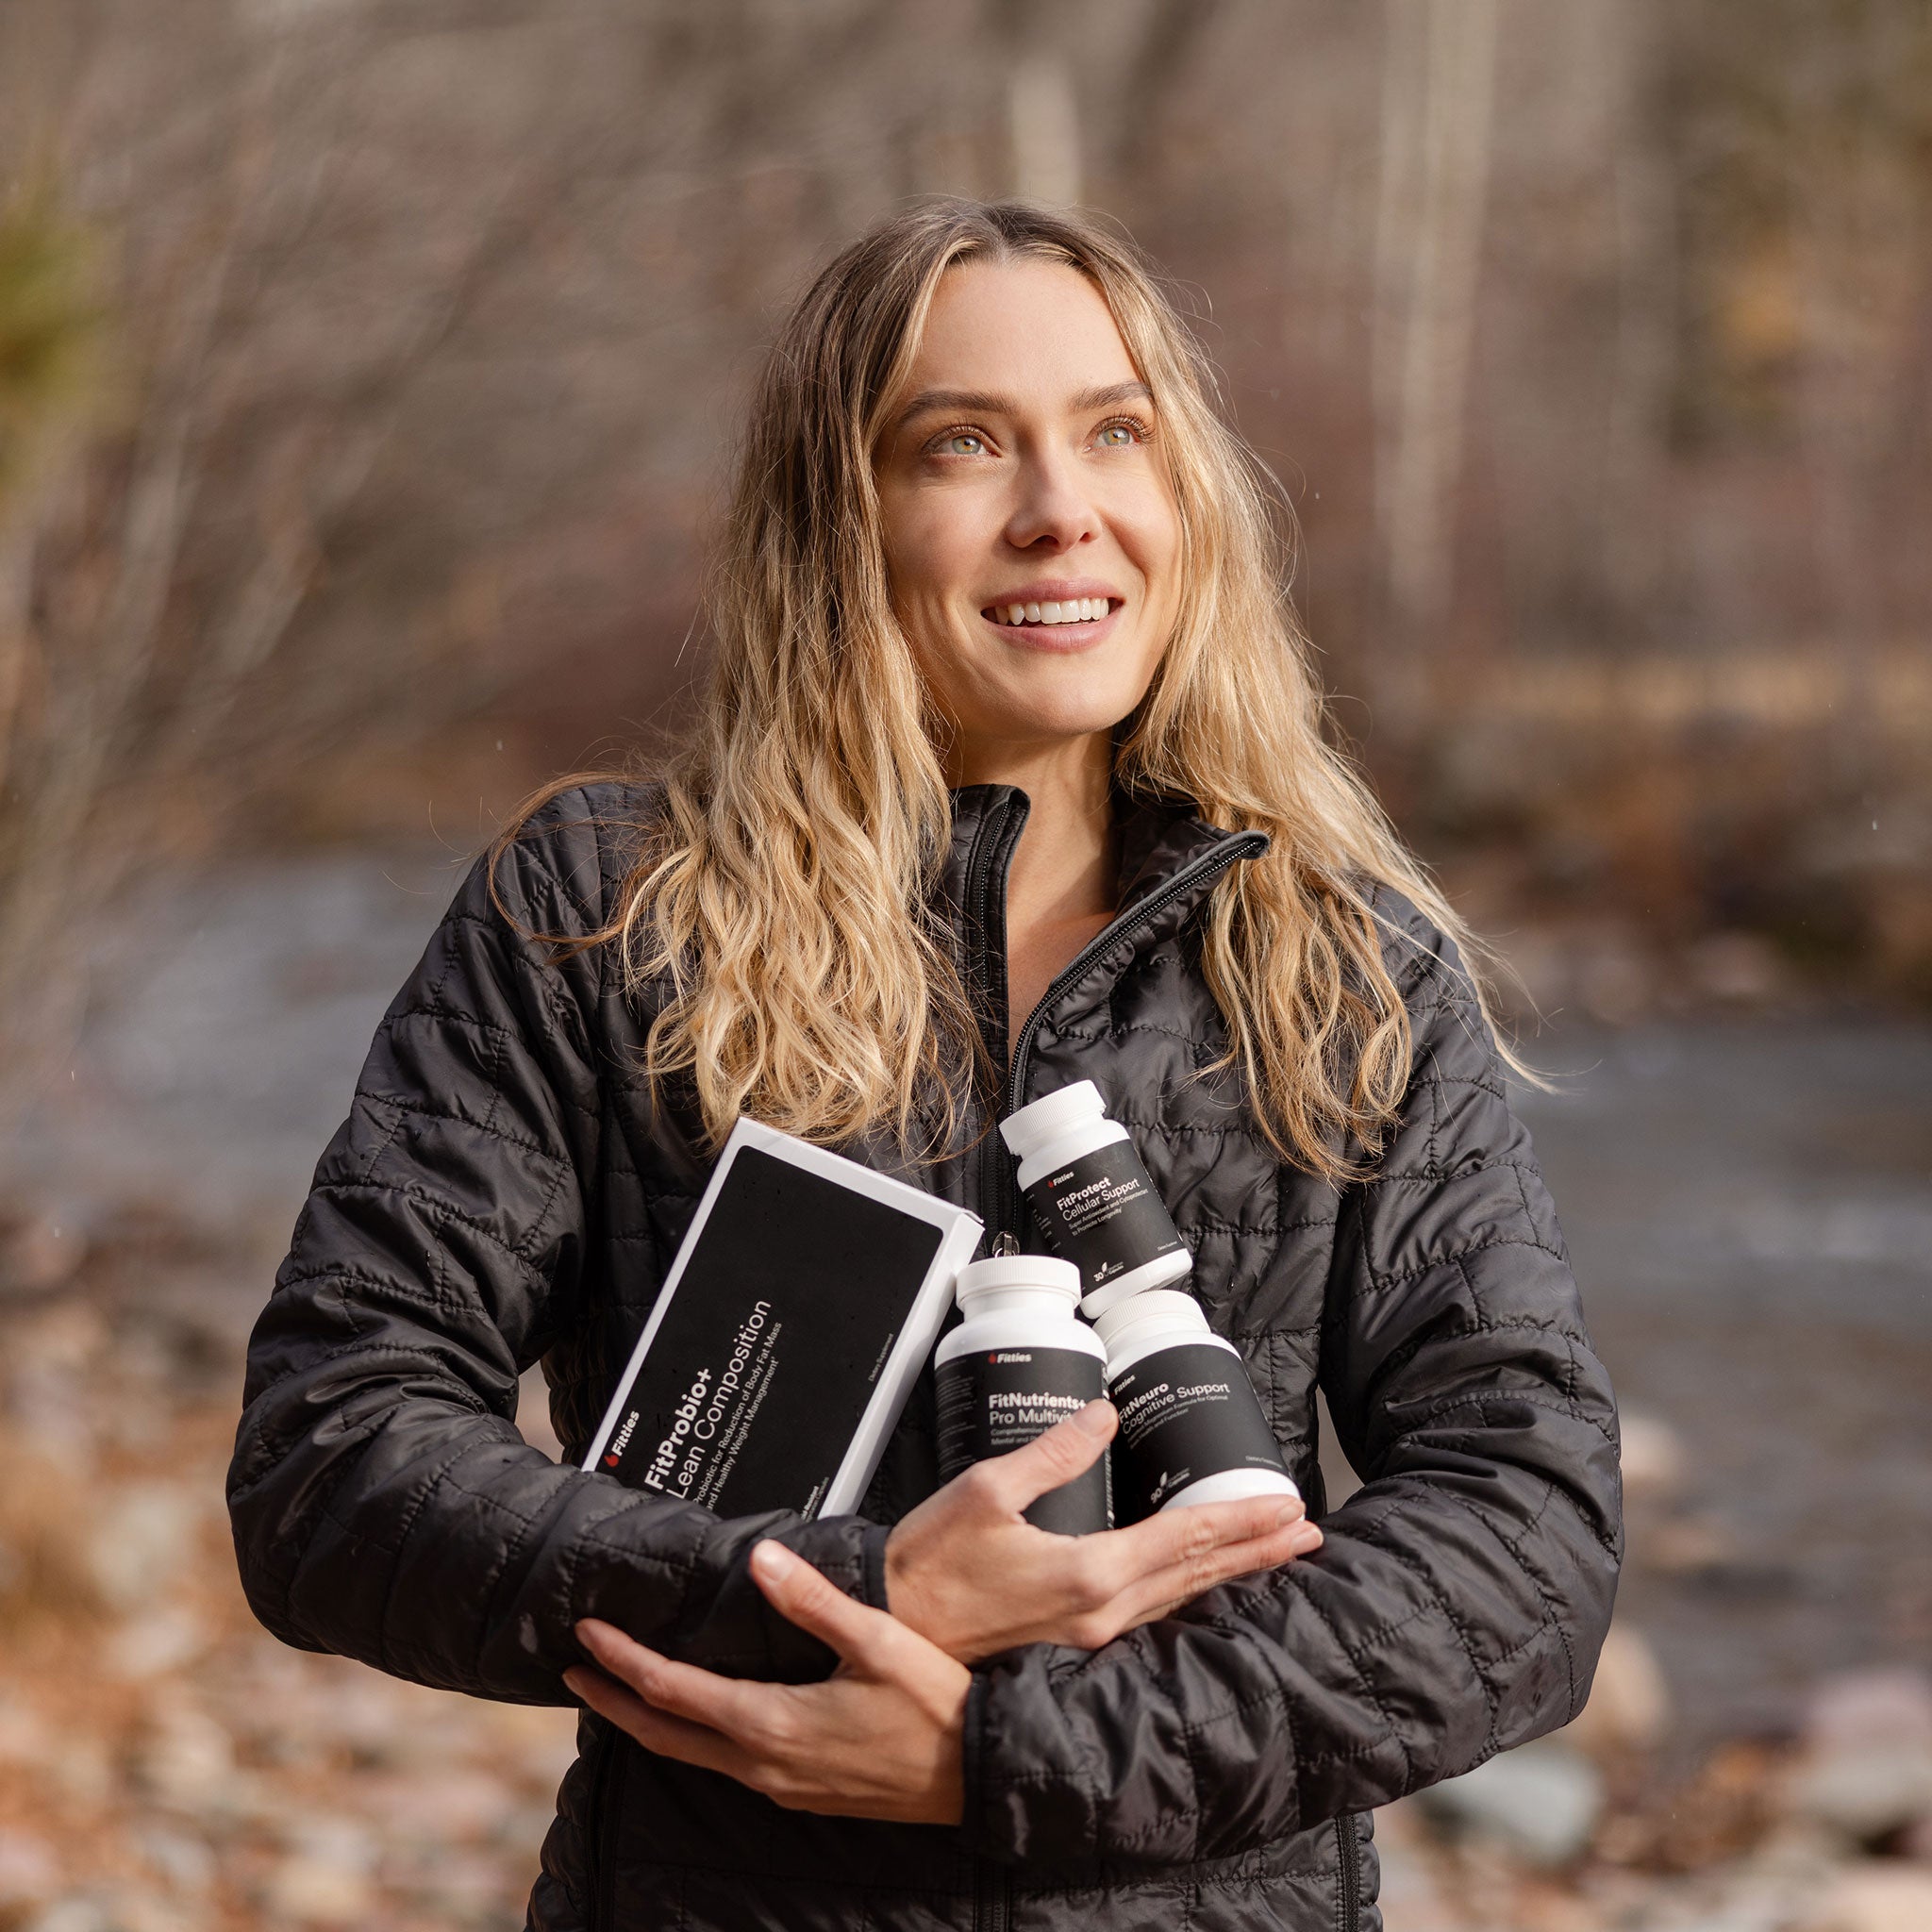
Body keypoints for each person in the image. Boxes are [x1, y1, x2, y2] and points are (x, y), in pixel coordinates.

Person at [227, 199, 1621, 1932]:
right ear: (839, 519)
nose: (1062, 511)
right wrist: (839, 1588)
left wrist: (1013, 1758)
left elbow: (1528, 1533)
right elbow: (330, 1461)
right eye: (962, 443)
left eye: (1117, 432)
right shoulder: (602, 916)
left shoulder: (1343, 964)